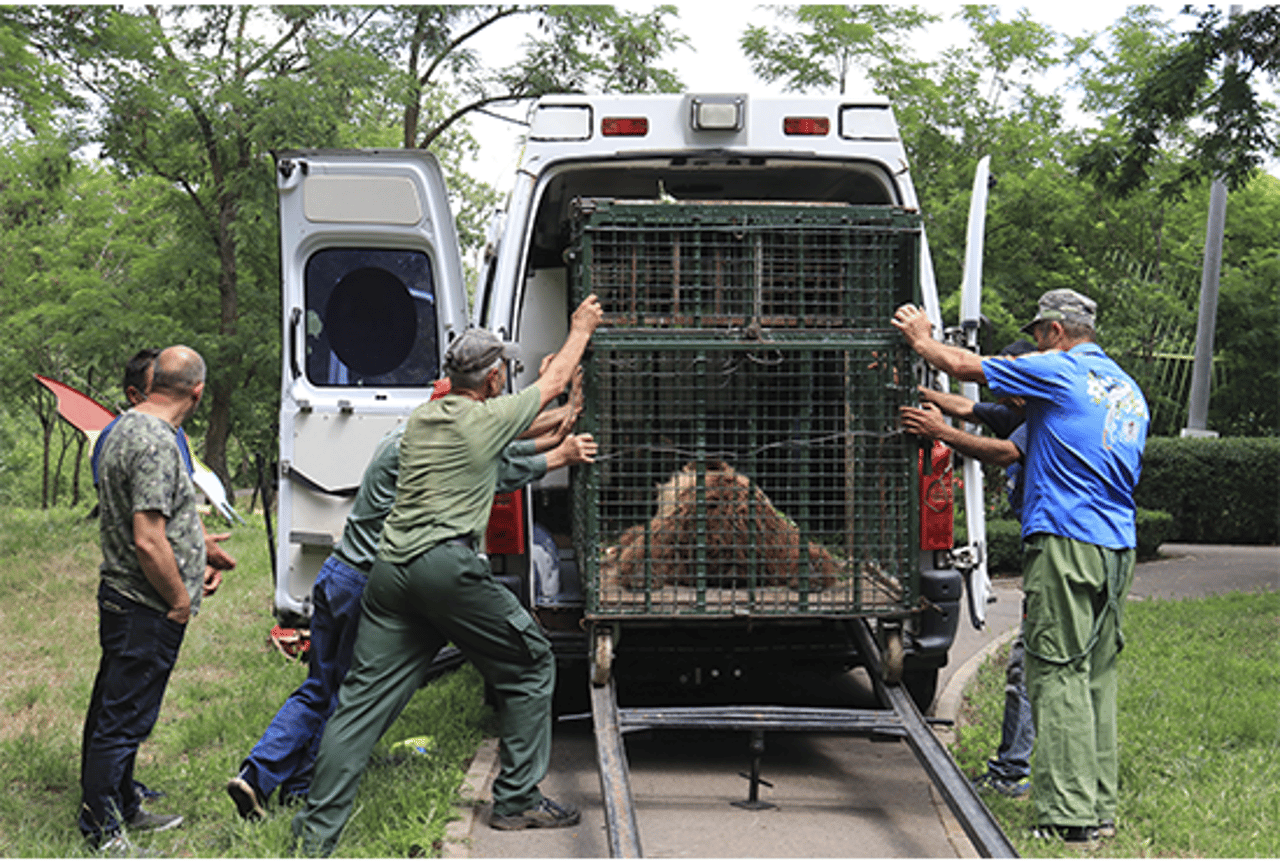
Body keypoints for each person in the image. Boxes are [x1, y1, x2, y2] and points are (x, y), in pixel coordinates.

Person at [291, 295, 603, 855]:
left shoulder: (425, 419)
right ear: (491, 380)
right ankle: (515, 800)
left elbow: (531, 427)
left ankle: (313, 839)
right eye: (502, 371)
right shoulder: (484, 416)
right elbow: (550, 383)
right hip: (445, 566)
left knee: (360, 707)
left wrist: (561, 424)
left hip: (390, 574)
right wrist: (580, 329)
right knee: (532, 660)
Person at [227, 371, 596, 820]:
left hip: (336, 573)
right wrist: (561, 445)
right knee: (352, 698)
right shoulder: (434, 453)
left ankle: (268, 776)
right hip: (368, 580)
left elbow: (511, 440)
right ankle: (297, 789)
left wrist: (563, 417)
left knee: (322, 687)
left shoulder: (408, 439)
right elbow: (507, 461)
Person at [893, 289, 1149, 843]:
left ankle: (1065, 817)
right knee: (1094, 676)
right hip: (1117, 548)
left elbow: (964, 367)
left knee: (1053, 672)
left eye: (1036, 333)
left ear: (1056, 330)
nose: (1032, 343)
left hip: (1067, 542)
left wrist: (920, 337)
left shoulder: (1058, 370)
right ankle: (1097, 809)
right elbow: (988, 410)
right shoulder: (1122, 388)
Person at [79, 346, 230, 851]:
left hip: (124, 595)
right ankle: (101, 832)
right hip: (144, 604)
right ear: (197, 391)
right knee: (123, 719)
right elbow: (147, 538)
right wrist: (179, 598)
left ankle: (123, 804)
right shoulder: (156, 443)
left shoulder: (124, 427)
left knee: (114, 707)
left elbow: (153, 518)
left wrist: (200, 548)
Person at [900, 340, 1035, 799]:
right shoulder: (1014, 408)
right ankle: (1019, 766)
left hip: (1060, 546)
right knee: (1040, 666)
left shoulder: (1041, 414)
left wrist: (942, 432)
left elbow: (1003, 453)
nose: (1009, 388)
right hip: (1057, 543)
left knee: (1030, 666)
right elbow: (967, 406)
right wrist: (917, 393)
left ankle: (1014, 770)